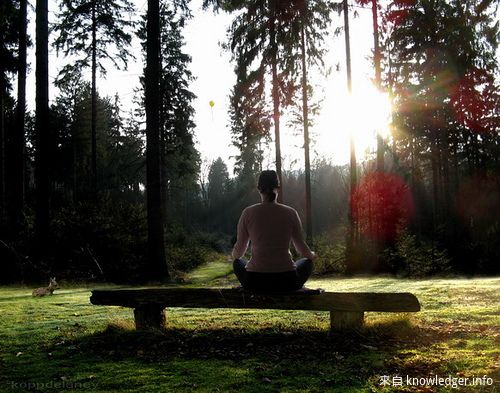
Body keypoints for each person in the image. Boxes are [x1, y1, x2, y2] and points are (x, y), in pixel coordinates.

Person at [232, 170, 316, 292]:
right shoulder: (291, 213)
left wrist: (233, 255)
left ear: (259, 188)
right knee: (307, 262)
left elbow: (239, 252)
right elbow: (301, 248)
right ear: (278, 187)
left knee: (237, 263)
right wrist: (312, 255)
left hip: (254, 281)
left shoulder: (248, 213)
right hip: (287, 280)